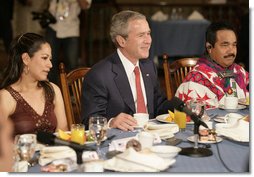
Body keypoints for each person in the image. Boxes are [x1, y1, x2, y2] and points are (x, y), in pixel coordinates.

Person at [81, 10, 174, 131]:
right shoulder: (99, 75)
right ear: (121, 41)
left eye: (148, 33)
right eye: (141, 35)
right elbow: (89, 121)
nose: (148, 40)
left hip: (153, 136)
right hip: (119, 143)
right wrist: (111, 122)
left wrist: (182, 106)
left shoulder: (148, 66)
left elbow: (159, 105)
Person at [0, 32, 68, 136]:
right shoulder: (6, 97)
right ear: (26, 59)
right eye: (44, 58)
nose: (50, 65)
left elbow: (62, 132)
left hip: (54, 152)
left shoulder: (53, 90)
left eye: (50, 59)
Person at [175, 21, 249, 108]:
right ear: (209, 47)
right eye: (225, 45)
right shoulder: (196, 79)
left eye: (234, 45)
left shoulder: (239, 71)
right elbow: (192, 116)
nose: (231, 51)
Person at [46, 0, 92, 84]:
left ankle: (71, 92)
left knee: (72, 63)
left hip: (71, 28)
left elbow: (85, 5)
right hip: (53, 26)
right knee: (49, 60)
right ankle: (51, 90)